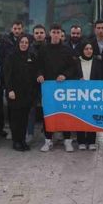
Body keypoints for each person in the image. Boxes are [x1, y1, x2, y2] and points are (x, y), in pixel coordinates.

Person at [36, 24, 77, 152]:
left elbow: (73, 67)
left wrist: (65, 75)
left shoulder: (67, 49)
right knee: (48, 114)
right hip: (48, 88)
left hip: (63, 88)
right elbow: (38, 66)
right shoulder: (43, 49)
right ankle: (48, 140)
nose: (55, 34)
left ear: (61, 34)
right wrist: (40, 75)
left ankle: (67, 140)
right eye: (53, 32)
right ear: (50, 33)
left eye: (58, 32)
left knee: (65, 114)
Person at [4, 36, 37, 151]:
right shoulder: (11, 56)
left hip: (27, 93)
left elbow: (34, 74)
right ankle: (16, 141)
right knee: (15, 119)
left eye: (26, 42)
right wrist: (10, 90)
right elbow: (7, 75)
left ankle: (22, 140)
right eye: (22, 42)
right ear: (18, 43)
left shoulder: (31, 56)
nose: (24, 44)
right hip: (14, 93)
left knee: (24, 119)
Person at [76, 42, 103, 150]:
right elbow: (73, 74)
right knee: (80, 117)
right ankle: (81, 141)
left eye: (90, 48)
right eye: (86, 48)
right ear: (82, 50)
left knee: (92, 117)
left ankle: (92, 141)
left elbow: (101, 77)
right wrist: (78, 79)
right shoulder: (76, 61)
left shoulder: (98, 62)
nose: (89, 51)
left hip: (93, 95)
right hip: (80, 95)